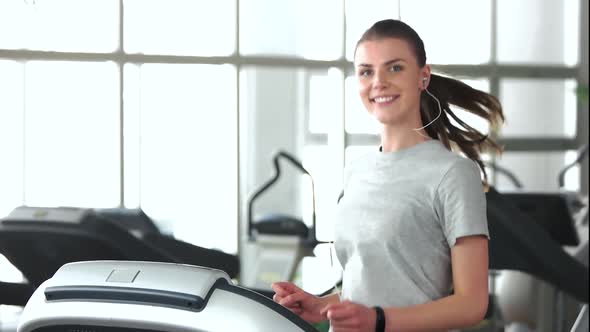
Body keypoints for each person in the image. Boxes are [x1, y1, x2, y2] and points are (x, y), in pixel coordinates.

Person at [272, 19, 505, 332]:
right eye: (366, 71)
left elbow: (472, 303)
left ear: (423, 76)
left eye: (394, 68)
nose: (378, 81)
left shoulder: (453, 174)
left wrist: (379, 321)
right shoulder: (356, 170)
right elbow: (369, 285)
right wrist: (323, 305)